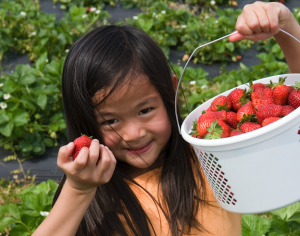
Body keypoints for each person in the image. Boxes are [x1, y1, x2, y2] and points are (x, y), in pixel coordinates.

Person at [32, 2, 300, 235]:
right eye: (110, 121)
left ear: (171, 91)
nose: (134, 133)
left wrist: (285, 25)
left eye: (145, 111)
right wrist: (79, 191)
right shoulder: (94, 198)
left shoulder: (209, 158)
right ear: (84, 123)